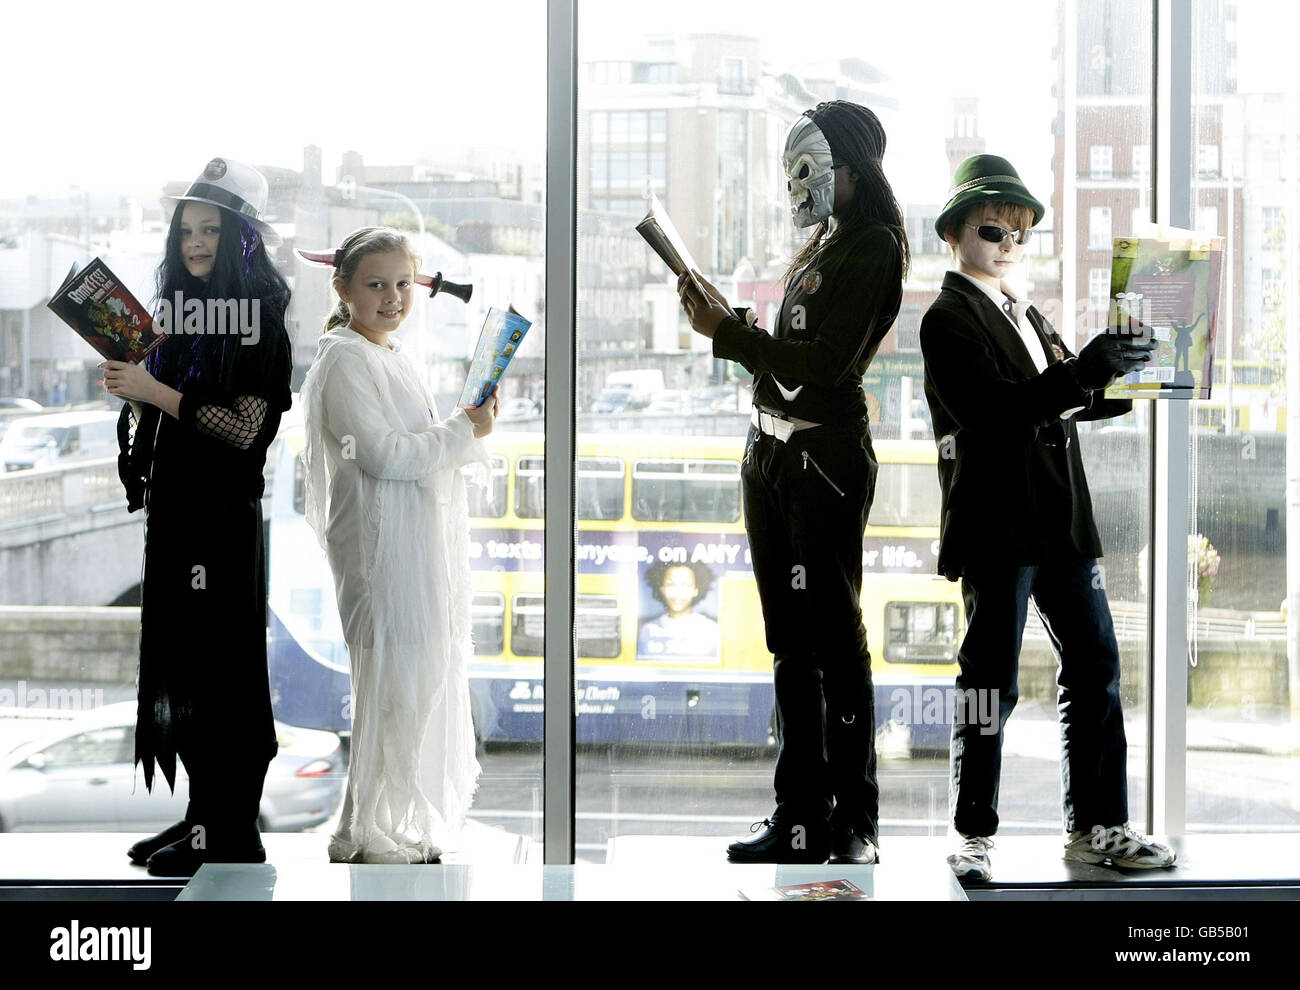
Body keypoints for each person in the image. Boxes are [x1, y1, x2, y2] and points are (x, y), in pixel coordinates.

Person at [919, 154, 1177, 881]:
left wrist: (1141, 371)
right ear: (955, 234)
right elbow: (996, 412)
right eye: (993, 229)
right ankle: (972, 831)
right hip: (999, 524)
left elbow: (1070, 397)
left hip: (1061, 519)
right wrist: (1087, 370)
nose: (1007, 244)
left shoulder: (1024, 312)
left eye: (1019, 234)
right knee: (985, 682)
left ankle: (1097, 826)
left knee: (1095, 668)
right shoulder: (945, 320)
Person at [677, 101, 908, 865]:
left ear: (851, 168)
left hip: (823, 463)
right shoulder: (824, 245)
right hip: (771, 455)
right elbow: (793, 350)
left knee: (834, 645)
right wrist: (733, 321)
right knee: (789, 646)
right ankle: (799, 818)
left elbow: (825, 367)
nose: (798, 184)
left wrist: (729, 338)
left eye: (812, 167)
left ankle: (852, 824)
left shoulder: (873, 246)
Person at [103, 157, 292, 877]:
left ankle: (229, 831)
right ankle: (204, 821)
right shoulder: (188, 313)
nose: (196, 242)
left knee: (221, 675)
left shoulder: (260, 316)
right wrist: (135, 381)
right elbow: (176, 409)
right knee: (189, 670)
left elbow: (245, 428)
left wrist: (154, 389)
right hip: (180, 513)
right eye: (188, 229)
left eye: (212, 228)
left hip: (218, 517)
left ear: (242, 235)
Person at [299, 226, 499, 864]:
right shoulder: (343, 361)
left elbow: (416, 446)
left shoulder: (391, 355)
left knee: (414, 689)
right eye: (376, 284)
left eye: (402, 285)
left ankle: (395, 823)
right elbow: (384, 455)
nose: (392, 298)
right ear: (343, 289)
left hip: (411, 547)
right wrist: (464, 431)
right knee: (391, 688)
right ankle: (364, 832)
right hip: (380, 556)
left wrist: (463, 429)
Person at [637, 560, 721, 661]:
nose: (678, 592)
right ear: (662, 589)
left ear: (696, 590)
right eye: (671, 584)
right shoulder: (648, 630)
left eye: (685, 585)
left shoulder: (710, 630)